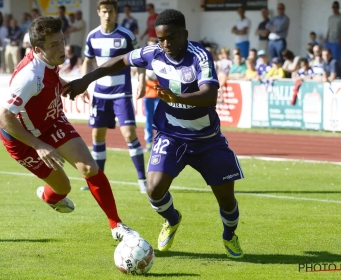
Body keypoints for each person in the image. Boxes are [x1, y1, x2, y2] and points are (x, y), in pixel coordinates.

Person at [62, 9, 245, 259]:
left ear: (185, 34)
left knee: (226, 199)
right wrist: (87, 79)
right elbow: (121, 60)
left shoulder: (199, 56)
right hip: (172, 134)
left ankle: (229, 236)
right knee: (154, 188)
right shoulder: (153, 52)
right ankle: (172, 219)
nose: (166, 44)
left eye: (171, 37)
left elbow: (210, 95)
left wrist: (177, 98)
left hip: (206, 140)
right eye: (161, 39)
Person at [0, 16, 139, 242]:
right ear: (37, 49)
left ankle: (116, 225)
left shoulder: (46, 61)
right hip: (23, 139)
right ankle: (49, 197)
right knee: (63, 188)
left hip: (52, 122)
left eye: (62, 41)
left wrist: (62, 85)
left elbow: (49, 75)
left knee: (90, 168)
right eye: (54, 45)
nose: (62, 48)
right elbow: (3, 118)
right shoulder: (29, 76)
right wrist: (39, 145)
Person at [80, 0, 147, 193]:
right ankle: (97, 182)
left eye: (110, 11)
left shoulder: (126, 35)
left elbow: (140, 60)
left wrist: (141, 81)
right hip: (100, 94)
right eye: (104, 11)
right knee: (97, 136)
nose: (107, 15)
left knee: (129, 134)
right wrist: (84, 84)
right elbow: (87, 60)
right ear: (99, 12)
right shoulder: (92, 36)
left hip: (122, 93)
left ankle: (142, 180)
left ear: (115, 12)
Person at [143, 38, 159, 152]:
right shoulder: (144, 60)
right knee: (148, 120)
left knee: (159, 120)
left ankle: (159, 143)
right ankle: (149, 142)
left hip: (159, 95)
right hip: (148, 95)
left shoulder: (161, 59)